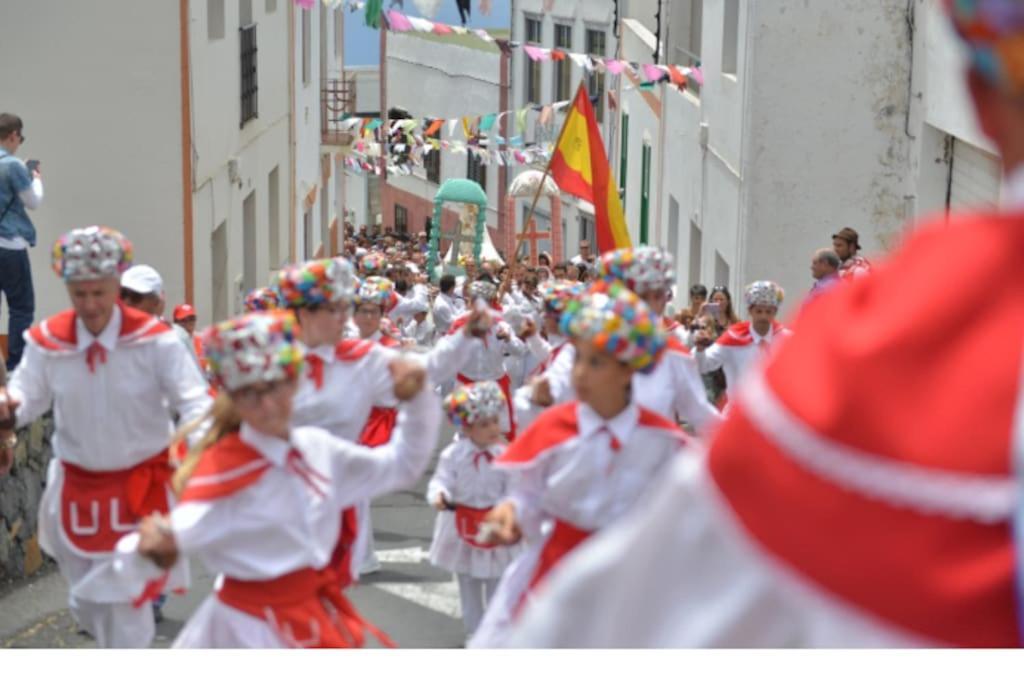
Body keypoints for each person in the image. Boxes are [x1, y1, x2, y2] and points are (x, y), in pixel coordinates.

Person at [503, 1, 1024, 649]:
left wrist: (716, 441)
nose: (760, 315)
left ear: (976, 95)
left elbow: (623, 616)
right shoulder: (792, 362)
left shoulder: (850, 363)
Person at [116, 310, 441, 648]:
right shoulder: (224, 466)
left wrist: (417, 403)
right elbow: (182, 526)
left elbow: (401, 466)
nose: (268, 404)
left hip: (309, 617)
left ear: (295, 381)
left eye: (276, 385)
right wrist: (144, 547)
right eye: (251, 394)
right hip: (240, 630)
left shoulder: (317, 449)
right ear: (235, 400)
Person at [0, 226, 211, 647]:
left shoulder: (157, 342)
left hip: (143, 489)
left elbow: (194, 401)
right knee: (89, 606)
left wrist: (208, 454)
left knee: (130, 609)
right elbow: (29, 395)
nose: (91, 304)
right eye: (80, 294)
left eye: (100, 293)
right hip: (77, 490)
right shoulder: (49, 341)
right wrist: (8, 406)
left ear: (117, 285)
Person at [468, 281, 686, 647]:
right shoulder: (555, 427)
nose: (580, 373)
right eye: (579, 358)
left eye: (596, 362)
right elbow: (530, 492)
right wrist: (512, 512)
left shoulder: (662, 441)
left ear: (628, 370)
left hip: (628, 579)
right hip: (557, 569)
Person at [428, 381, 520, 641]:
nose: (493, 428)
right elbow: (442, 480)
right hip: (462, 523)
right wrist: (440, 495)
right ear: (466, 428)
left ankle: (494, 635)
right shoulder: (453, 454)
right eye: (484, 424)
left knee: (496, 582)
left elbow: (515, 487)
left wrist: (509, 508)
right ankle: (473, 633)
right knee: (468, 582)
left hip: (494, 524)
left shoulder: (505, 454)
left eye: (494, 421)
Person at [437, 277, 527, 441]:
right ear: (470, 302)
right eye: (477, 302)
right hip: (467, 385)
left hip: (495, 385)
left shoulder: (501, 325)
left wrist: (508, 339)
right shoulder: (459, 323)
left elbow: (520, 351)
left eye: (486, 302)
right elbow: (444, 353)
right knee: (466, 433)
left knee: (495, 432)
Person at [693, 281, 791, 401]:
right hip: (739, 413)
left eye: (768, 312)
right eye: (759, 311)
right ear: (750, 311)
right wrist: (700, 350)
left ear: (775, 312)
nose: (763, 317)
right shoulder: (734, 337)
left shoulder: (787, 339)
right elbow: (704, 365)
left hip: (773, 414)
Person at [0, 113, 44, 371]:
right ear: (14, 134)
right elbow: (33, 202)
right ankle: (16, 367)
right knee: (21, 308)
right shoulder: (13, 166)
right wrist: (36, 179)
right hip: (10, 245)